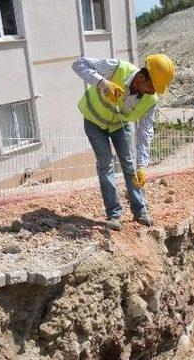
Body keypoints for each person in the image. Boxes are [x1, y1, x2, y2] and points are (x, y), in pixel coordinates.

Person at [72, 54, 175, 230]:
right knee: (105, 164)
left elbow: (145, 132)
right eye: (152, 86)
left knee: (131, 167)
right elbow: (78, 64)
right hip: (94, 121)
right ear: (142, 77)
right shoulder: (116, 68)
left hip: (119, 126)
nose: (154, 92)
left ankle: (140, 212)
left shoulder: (151, 100)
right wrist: (102, 82)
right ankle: (114, 215)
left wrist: (142, 166)